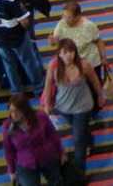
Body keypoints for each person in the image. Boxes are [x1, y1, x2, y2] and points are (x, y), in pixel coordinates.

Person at [41, 38, 105, 178]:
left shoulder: (84, 65)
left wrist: (100, 96)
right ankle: (88, 138)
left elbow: (95, 81)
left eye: (71, 51)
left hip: (83, 107)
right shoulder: (54, 66)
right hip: (63, 107)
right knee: (79, 130)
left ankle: (79, 174)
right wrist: (46, 104)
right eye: (64, 52)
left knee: (77, 140)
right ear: (59, 53)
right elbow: (47, 85)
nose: (68, 55)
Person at [2, 93, 64, 186]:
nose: (13, 115)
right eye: (11, 111)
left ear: (25, 109)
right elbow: (9, 150)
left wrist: (61, 152)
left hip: (47, 157)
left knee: (56, 182)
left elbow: (53, 135)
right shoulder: (7, 126)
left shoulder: (40, 117)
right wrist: (12, 170)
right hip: (25, 163)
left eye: (17, 111)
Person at [51, 1, 109, 86]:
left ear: (78, 17)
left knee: (94, 86)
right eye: (64, 16)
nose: (65, 19)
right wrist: (53, 42)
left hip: (91, 63)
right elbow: (55, 41)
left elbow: (98, 41)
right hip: (71, 64)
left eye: (68, 17)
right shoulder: (61, 24)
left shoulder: (89, 26)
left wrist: (103, 57)